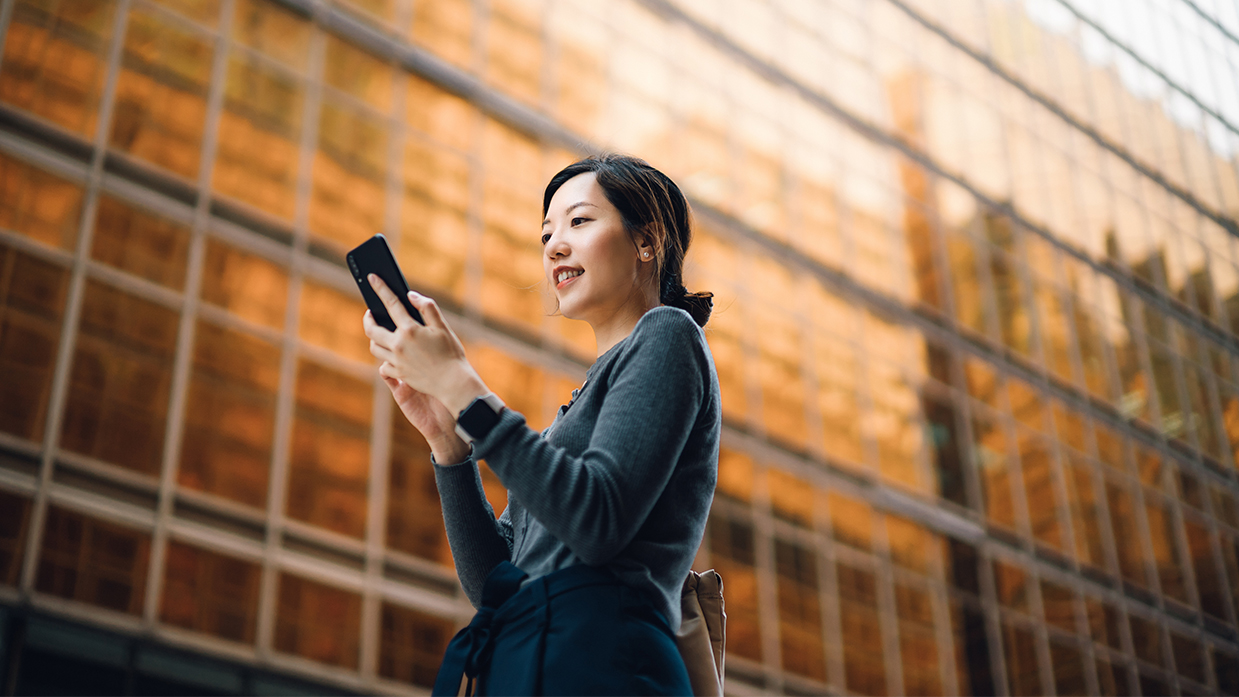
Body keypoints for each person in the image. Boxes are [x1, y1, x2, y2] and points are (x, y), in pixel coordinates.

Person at [362, 153, 721, 696]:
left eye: (579, 221)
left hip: (604, 666)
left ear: (647, 241)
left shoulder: (668, 335)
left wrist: (464, 387)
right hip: (527, 667)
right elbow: (495, 585)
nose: (554, 245)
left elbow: (596, 520)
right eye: (547, 232)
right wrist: (449, 445)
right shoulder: (567, 417)